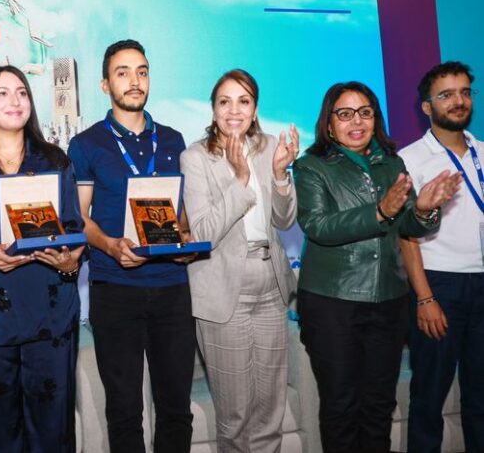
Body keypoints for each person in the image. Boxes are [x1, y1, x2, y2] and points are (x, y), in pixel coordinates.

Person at [293, 81, 461, 452]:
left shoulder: (392, 163)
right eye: (345, 114)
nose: (357, 121)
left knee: (380, 403)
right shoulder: (311, 166)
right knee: (341, 404)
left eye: (365, 113)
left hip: (388, 300)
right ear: (329, 123)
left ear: (375, 119)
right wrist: (380, 211)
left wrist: (425, 208)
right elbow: (318, 226)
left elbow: (409, 227)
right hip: (332, 303)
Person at [0, 65, 84, 452]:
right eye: (2, 93)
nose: (15, 100)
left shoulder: (55, 161)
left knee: (53, 436)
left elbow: (75, 228)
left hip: (51, 318)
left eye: (22, 92)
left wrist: (71, 261)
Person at [67, 39, 196, 453]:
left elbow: (181, 215)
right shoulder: (86, 144)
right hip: (115, 289)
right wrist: (108, 245)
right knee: (124, 412)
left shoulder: (174, 140)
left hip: (173, 287)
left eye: (142, 71)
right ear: (105, 84)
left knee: (176, 409)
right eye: (122, 72)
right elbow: (79, 218)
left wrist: (184, 239)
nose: (134, 80)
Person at [181, 69, 299, 452]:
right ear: (213, 109)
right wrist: (241, 178)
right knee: (235, 418)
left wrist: (280, 174)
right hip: (222, 290)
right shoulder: (195, 157)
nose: (234, 110)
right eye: (225, 102)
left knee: (270, 412)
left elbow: (285, 220)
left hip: (271, 284)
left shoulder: (269, 147)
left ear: (255, 109)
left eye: (243, 101)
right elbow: (203, 233)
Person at [399, 61, 484, 452]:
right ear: (427, 106)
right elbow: (406, 237)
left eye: (465, 92)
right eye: (446, 95)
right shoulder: (410, 159)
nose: (458, 101)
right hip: (439, 285)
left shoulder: (483, 151)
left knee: (480, 398)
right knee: (428, 398)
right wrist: (424, 297)